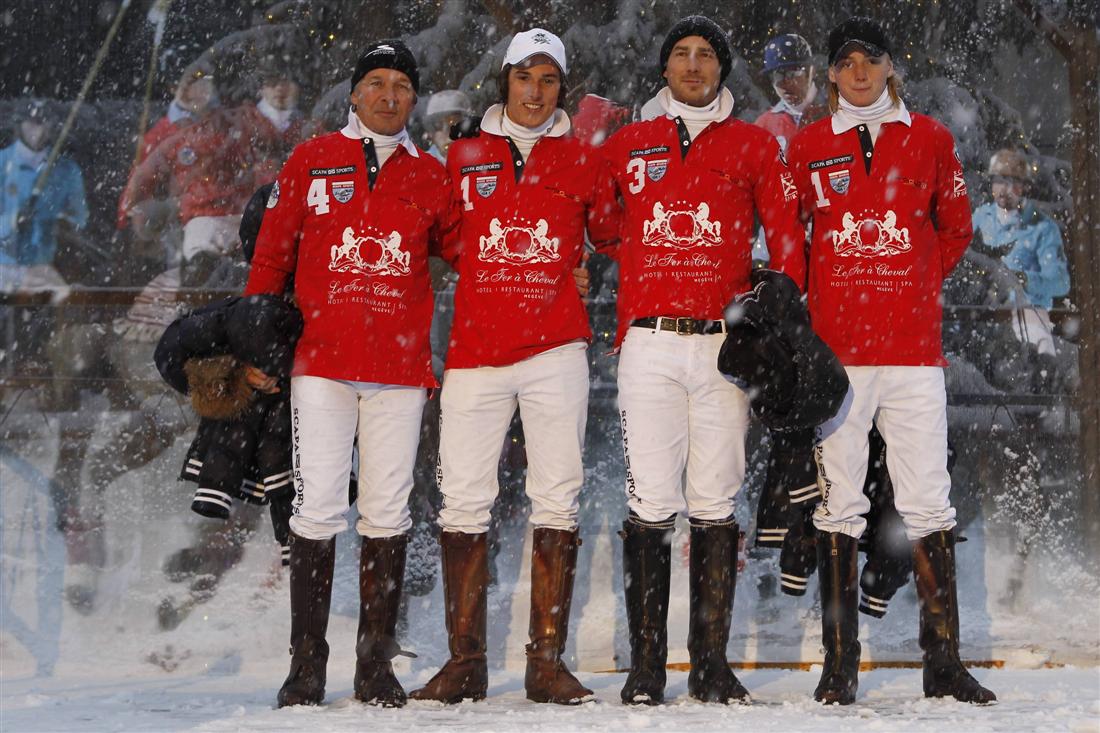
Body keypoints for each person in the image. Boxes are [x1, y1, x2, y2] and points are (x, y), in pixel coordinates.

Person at [785, 16, 997, 705]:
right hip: (838, 357)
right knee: (840, 504)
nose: (859, 72)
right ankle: (840, 664)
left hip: (912, 354)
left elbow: (955, 228)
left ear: (888, 66)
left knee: (928, 500)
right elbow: (790, 235)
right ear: (831, 73)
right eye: (845, 61)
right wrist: (815, 303)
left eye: (870, 59)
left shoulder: (931, 138)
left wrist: (914, 285)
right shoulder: (809, 145)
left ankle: (944, 662)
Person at [245, 40, 460, 709]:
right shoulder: (311, 158)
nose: (389, 96)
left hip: (399, 367)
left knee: (388, 511)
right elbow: (271, 253)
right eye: (376, 83)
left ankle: (375, 666)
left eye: (401, 85)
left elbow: (468, 249)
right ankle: (306, 668)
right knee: (316, 507)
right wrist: (256, 344)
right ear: (355, 93)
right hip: (323, 362)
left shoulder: (431, 175)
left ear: (413, 98)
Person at [598, 15, 804, 705]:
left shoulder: (752, 144)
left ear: (722, 69)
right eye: (681, 54)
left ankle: (711, 664)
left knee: (716, 501)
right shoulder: (630, 143)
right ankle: (647, 667)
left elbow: (785, 233)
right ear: (665, 68)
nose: (693, 65)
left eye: (706, 55)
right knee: (651, 501)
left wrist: (780, 304)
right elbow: (602, 223)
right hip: (649, 340)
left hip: (724, 342)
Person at [410, 28, 619, 707]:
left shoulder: (582, 158)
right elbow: (440, 235)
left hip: (556, 349)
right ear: (505, 81)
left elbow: (611, 231)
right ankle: (465, 661)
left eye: (549, 79)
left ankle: (545, 663)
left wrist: (584, 268)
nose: (536, 91)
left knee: (556, 496)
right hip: (477, 350)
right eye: (525, 77)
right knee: (464, 500)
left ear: (562, 87)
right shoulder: (464, 153)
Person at [972, 148, 1070, 356]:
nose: (1004, 188)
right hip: (981, 321)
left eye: (1012, 181)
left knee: (1037, 357)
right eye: (999, 180)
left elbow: (1061, 282)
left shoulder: (1043, 228)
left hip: (1028, 319)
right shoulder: (979, 218)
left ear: (1024, 186)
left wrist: (1026, 280)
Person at [0, 99, 88, 297]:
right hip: (3, 268)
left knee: (63, 299)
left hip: (43, 267)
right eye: (31, 124)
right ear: (19, 125)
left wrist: (63, 223)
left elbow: (80, 217)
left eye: (43, 123)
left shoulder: (67, 170)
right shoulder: (2, 163)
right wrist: (11, 221)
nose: (37, 131)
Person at [754, 33, 827, 155]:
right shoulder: (764, 125)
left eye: (792, 74)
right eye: (777, 76)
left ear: (811, 71)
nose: (784, 83)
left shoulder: (832, 112)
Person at [422, 89, 474, 163]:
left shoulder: (479, 160)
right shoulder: (422, 164)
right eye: (438, 125)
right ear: (431, 134)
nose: (447, 132)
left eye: (454, 123)